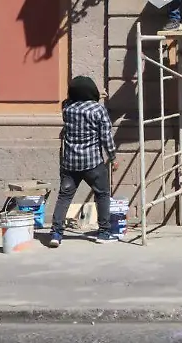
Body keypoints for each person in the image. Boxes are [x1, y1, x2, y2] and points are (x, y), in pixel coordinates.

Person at [48, 76, 116, 246]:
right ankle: (104, 232)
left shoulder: (67, 108)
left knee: (64, 197)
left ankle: (56, 234)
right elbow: (106, 137)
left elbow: (67, 100)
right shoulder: (98, 110)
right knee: (102, 194)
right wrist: (113, 157)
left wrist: (90, 95)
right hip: (93, 163)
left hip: (70, 163)